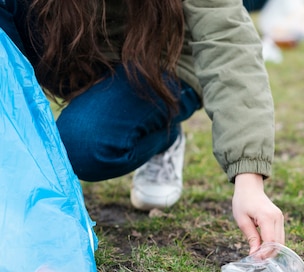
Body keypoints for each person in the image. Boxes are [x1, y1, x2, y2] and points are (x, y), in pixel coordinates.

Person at [0, 0, 284, 254]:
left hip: (159, 58)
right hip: (73, 41)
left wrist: (249, 180)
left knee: (83, 144)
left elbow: (226, 41)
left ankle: (161, 133)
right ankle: (16, 180)